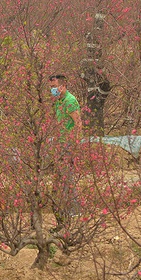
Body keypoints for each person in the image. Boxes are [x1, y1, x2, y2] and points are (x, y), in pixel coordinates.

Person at [48, 74, 82, 227]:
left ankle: (75, 209)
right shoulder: (59, 101)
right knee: (60, 176)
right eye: (51, 88)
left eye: (54, 87)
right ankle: (65, 208)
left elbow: (78, 123)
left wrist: (75, 144)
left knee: (68, 176)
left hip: (68, 143)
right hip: (60, 143)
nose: (52, 90)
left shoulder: (70, 101)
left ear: (62, 86)